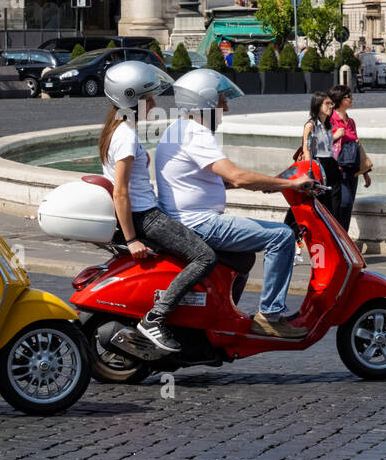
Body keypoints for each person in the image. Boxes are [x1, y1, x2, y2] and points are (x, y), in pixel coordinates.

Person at [155, 69, 318, 340]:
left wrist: (268, 183)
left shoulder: (178, 128)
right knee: (282, 237)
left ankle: (224, 316)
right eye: (221, 100)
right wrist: (290, 184)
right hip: (200, 223)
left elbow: (202, 177)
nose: (226, 107)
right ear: (205, 102)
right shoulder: (197, 132)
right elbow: (237, 176)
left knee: (244, 259)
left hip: (184, 220)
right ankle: (271, 315)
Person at [98, 60, 217, 353]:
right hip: (144, 217)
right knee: (205, 256)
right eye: (148, 98)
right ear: (132, 99)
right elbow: (121, 193)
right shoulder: (125, 135)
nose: (153, 103)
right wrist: (132, 239)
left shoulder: (116, 129)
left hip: (144, 213)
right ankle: (156, 318)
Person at [284, 91, 342, 242]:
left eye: (331, 103)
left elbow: (327, 147)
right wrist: (310, 176)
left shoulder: (328, 125)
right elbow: (307, 150)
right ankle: (291, 235)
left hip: (331, 165)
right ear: (318, 105)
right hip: (318, 166)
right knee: (311, 204)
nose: (331, 106)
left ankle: (331, 241)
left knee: (333, 206)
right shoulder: (311, 126)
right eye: (327, 103)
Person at [329, 84, 373, 233]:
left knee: (348, 206)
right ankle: (337, 238)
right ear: (340, 100)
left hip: (352, 170)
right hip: (337, 170)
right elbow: (320, 144)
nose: (351, 99)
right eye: (348, 96)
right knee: (343, 204)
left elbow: (357, 146)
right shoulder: (331, 120)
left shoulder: (351, 121)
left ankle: (344, 241)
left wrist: (365, 172)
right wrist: (336, 136)